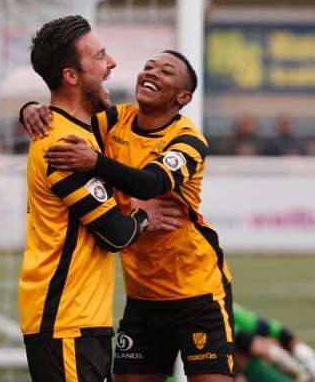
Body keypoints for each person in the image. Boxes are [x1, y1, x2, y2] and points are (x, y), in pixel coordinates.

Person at [22, 50, 234, 382]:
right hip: (142, 297)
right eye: (149, 66)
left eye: (165, 71)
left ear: (183, 97)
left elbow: (151, 183)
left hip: (197, 293)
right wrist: (31, 111)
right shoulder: (114, 120)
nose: (151, 72)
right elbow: (66, 117)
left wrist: (95, 163)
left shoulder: (189, 140)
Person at [18, 16, 183, 382]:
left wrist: (28, 107)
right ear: (71, 76)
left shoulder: (82, 131)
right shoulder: (61, 144)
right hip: (65, 322)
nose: (112, 64)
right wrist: (144, 215)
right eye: (100, 56)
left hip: (79, 321)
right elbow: (115, 235)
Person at [233, 304, 315, 382]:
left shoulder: (227, 308)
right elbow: (253, 345)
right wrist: (295, 368)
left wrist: (307, 356)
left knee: (264, 343)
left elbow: (271, 330)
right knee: (237, 353)